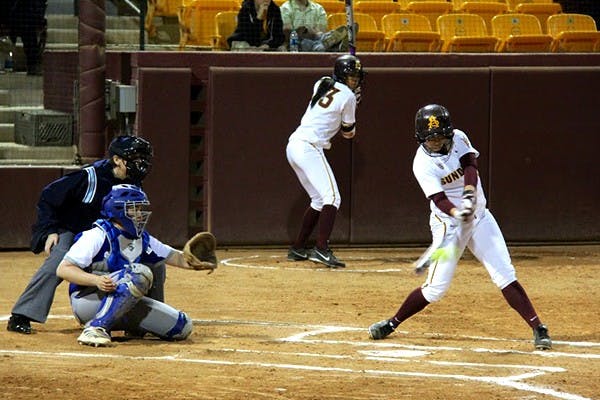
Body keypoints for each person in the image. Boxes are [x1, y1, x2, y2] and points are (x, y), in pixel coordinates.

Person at [368, 104, 552, 350]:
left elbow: (470, 166)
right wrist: (456, 212)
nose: (435, 142)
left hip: (479, 218)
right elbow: (439, 200)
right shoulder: (421, 164)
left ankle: (538, 327)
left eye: (440, 136)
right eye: (430, 138)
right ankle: (392, 323)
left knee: (505, 275)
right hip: (448, 227)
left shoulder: (459, 138)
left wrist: (468, 195)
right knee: (435, 289)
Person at [6, 135, 160, 335]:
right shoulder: (89, 177)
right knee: (58, 262)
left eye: (143, 158)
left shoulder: (134, 182)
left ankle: (149, 317)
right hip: (74, 229)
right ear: (117, 160)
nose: (142, 164)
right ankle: (21, 315)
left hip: (107, 232)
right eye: (136, 158)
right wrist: (50, 229)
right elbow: (48, 196)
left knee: (153, 261)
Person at [56, 184, 210, 347]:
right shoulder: (96, 235)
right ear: (117, 210)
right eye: (133, 208)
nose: (139, 214)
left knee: (181, 327)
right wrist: (96, 280)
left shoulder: (143, 239)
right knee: (139, 274)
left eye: (140, 208)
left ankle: (134, 328)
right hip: (88, 301)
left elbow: (176, 257)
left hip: (123, 303)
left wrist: (197, 262)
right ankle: (95, 328)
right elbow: (64, 269)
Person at [286, 54, 364, 268]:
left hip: (294, 145)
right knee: (333, 198)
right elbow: (348, 134)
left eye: (356, 77)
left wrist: (350, 98)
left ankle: (298, 248)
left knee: (318, 200)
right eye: (351, 77)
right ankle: (321, 249)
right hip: (309, 147)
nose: (354, 80)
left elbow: (332, 102)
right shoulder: (347, 96)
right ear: (342, 75)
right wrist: (354, 102)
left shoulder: (322, 83)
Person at [280, 0, 349, 52]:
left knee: (320, 37)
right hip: (295, 42)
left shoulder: (319, 8)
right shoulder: (285, 8)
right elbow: (287, 31)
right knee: (305, 42)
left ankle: (329, 43)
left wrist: (306, 31)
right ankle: (333, 46)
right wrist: (305, 31)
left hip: (316, 38)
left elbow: (321, 31)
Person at [0, 0, 47, 75]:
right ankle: (32, 64)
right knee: (29, 35)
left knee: (28, 33)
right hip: (22, 18)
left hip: (23, 17)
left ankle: (32, 64)